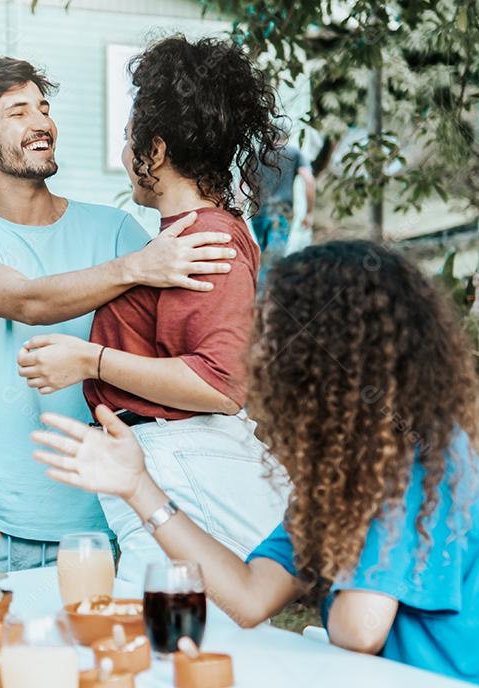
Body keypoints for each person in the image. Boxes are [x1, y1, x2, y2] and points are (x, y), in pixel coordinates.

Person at [33, 240, 479, 684]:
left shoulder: (424, 454)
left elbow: (359, 629)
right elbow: (251, 596)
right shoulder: (356, 464)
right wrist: (137, 485)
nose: (258, 351)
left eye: (272, 332)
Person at [0, 57, 241, 571]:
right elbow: (27, 301)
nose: (41, 122)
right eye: (18, 112)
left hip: (98, 521)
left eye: (44, 108)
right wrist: (136, 267)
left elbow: (187, 349)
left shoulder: (114, 231)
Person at [18, 36, 289, 582]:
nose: (124, 157)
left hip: (183, 466)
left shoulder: (206, 240)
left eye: (127, 141)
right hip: (163, 463)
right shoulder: (180, 239)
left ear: (156, 152)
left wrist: (90, 361)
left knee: (164, 637)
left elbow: (220, 384)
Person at [252, 142, 316, 288]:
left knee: (263, 259)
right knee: (271, 262)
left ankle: (259, 299)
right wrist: (310, 212)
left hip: (258, 212)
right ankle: (263, 303)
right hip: (281, 213)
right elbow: (308, 179)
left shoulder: (256, 153)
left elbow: (244, 183)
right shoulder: (294, 153)